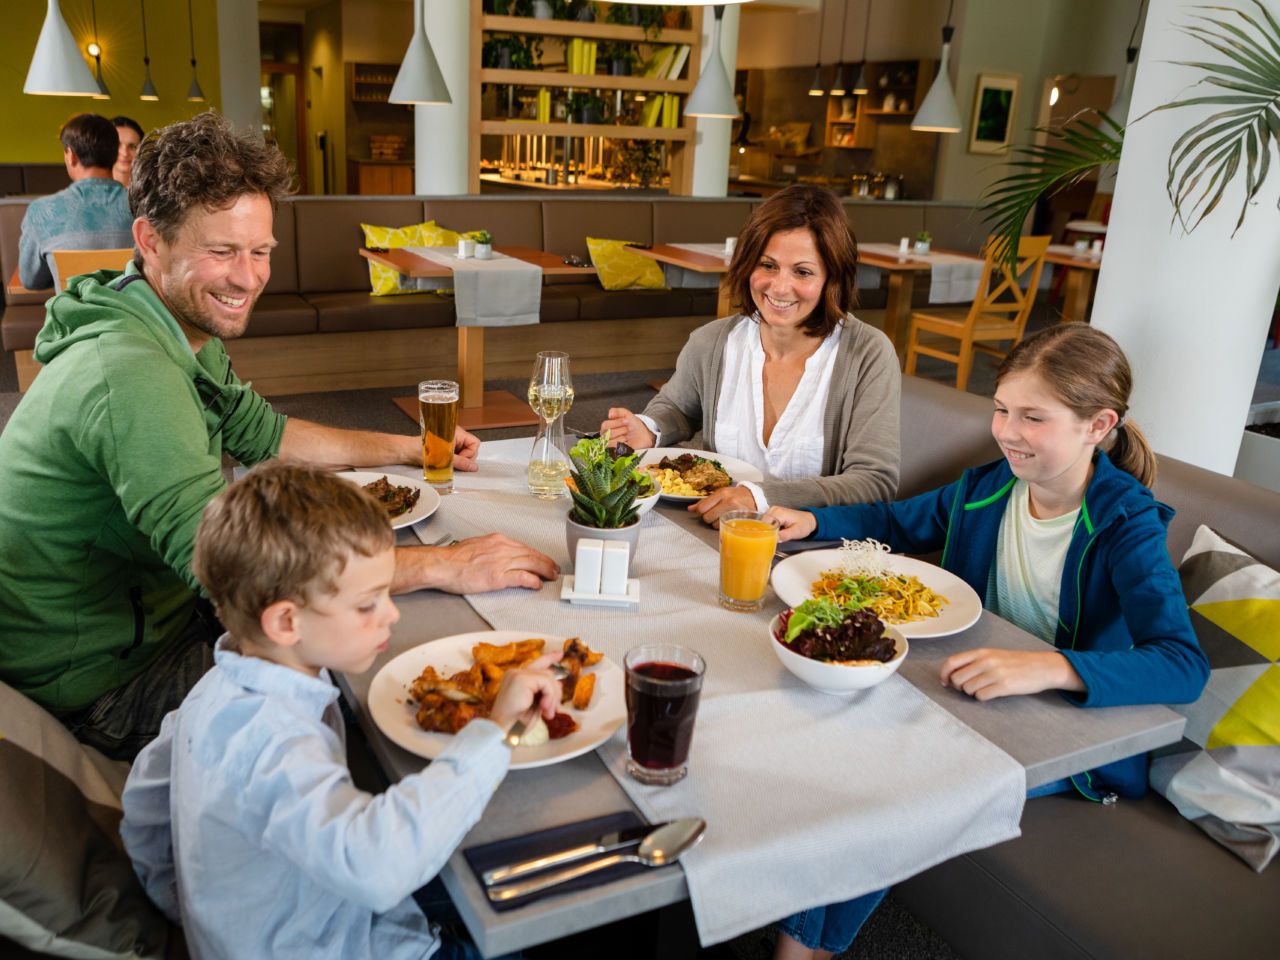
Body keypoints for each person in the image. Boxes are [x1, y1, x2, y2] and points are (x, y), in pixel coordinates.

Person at [0, 111, 557, 761]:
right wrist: (442, 564)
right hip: (104, 685)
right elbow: (231, 571)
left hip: (161, 619)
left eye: (259, 251)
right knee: (377, 691)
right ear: (150, 240)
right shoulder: (130, 373)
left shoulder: (162, 317)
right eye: (221, 252)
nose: (248, 278)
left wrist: (413, 448)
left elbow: (267, 435)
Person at [766, 324, 1210, 960]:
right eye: (1001, 409)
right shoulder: (989, 487)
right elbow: (896, 520)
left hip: (1063, 732)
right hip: (971, 693)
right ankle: (806, 944)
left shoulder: (1125, 521)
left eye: (1033, 417)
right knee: (835, 741)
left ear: (1097, 424)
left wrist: (1050, 668)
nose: (1007, 431)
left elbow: (1182, 665)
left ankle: (803, 949)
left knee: (890, 783)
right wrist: (815, 520)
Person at [121, 463, 561, 960]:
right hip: (341, 941)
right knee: (528, 912)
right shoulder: (276, 741)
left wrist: (190, 914)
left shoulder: (213, 688)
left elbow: (145, 805)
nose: (391, 613)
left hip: (273, 923)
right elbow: (378, 867)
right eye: (367, 604)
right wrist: (494, 729)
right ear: (287, 621)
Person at [600, 184, 900, 526]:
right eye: (768, 265)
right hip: (714, 531)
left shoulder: (868, 355)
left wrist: (758, 496)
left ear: (832, 278)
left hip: (814, 550)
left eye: (802, 272)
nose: (780, 286)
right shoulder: (712, 341)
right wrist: (650, 430)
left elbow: (875, 483)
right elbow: (677, 408)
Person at [17, 113, 133, 290]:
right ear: (115, 153)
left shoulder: (41, 212)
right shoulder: (143, 206)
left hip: (72, 317)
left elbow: (31, 280)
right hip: (133, 316)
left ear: (71, 155)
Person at [111, 115, 144, 187]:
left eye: (132, 146)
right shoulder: (90, 191)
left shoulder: (153, 192)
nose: (125, 153)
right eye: (117, 145)